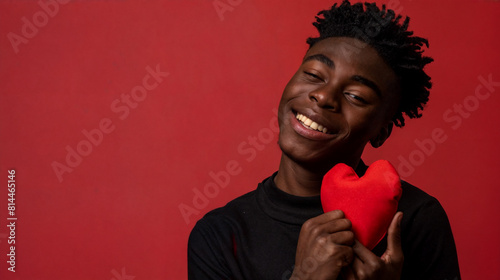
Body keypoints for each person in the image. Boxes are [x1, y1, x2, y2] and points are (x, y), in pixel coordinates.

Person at [188, 1, 461, 279]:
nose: (324, 97)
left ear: (381, 131)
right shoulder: (220, 235)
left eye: (356, 96)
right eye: (314, 74)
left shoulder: (416, 219)